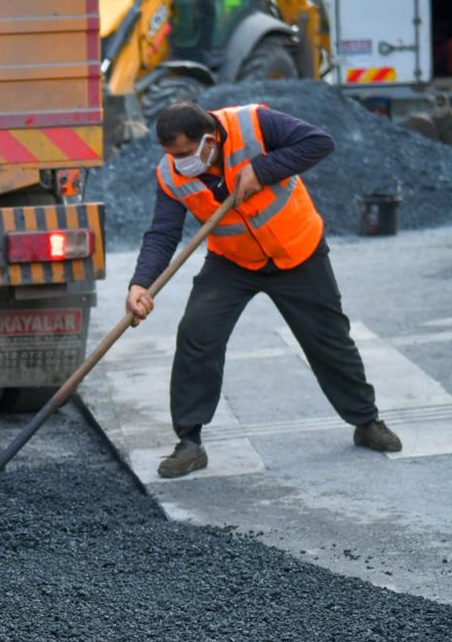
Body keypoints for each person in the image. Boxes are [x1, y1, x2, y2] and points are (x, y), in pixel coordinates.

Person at [125, 101, 401, 478]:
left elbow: (319, 142)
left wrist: (261, 170)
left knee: (329, 340)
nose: (179, 162)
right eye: (171, 155)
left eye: (185, 153)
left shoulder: (254, 124)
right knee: (196, 335)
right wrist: (142, 283)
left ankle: (366, 422)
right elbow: (163, 233)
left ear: (209, 140)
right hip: (233, 262)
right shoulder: (170, 175)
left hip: (297, 252)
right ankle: (189, 442)